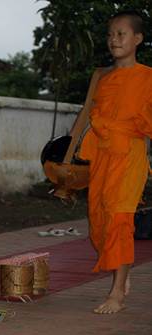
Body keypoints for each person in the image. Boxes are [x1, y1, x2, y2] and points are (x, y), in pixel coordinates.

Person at [79, 10, 152, 314]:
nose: (114, 39)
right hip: (102, 155)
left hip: (131, 154)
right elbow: (85, 116)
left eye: (121, 34)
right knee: (99, 223)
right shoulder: (102, 77)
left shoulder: (148, 77)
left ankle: (117, 292)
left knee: (120, 220)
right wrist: (68, 154)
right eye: (110, 34)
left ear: (138, 39)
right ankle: (124, 271)